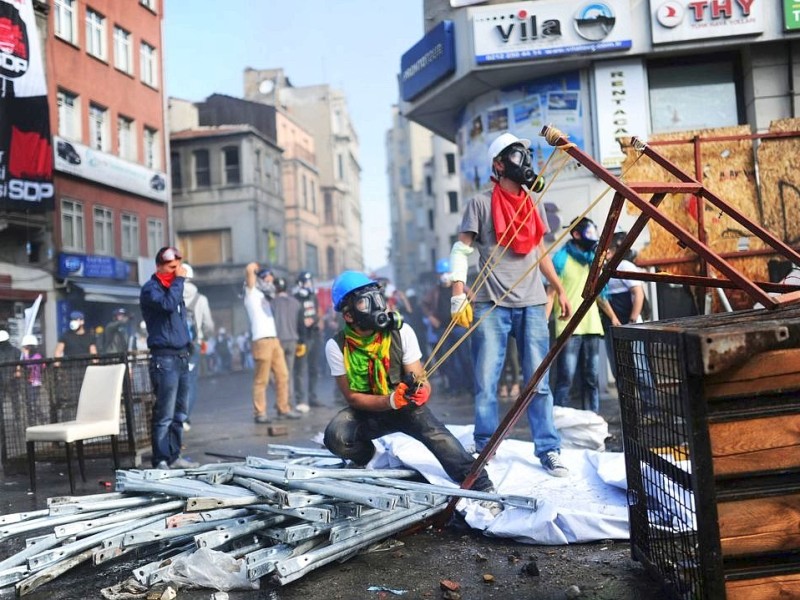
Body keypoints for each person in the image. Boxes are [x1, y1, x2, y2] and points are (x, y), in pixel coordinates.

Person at [450, 131, 572, 477]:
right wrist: (458, 293)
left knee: (539, 381)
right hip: (491, 303)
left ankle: (549, 449)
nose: (525, 163)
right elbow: (462, 250)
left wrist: (559, 288)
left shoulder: (532, 204)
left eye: (526, 155)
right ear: (498, 164)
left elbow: (539, 251)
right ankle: (485, 444)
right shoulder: (479, 203)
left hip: (532, 302)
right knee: (487, 380)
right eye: (517, 156)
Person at [323, 271, 499, 505]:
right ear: (348, 315)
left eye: (378, 298)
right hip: (368, 409)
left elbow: (417, 375)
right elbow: (352, 397)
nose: (378, 306)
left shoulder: (401, 331)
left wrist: (422, 387)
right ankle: (366, 457)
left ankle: (479, 483)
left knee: (438, 436)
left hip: (405, 404)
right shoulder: (336, 346)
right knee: (336, 435)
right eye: (365, 302)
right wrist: (388, 401)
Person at [139, 246, 199, 470]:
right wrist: (179, 281)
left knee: (180, 412)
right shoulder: (151, 289)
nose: (177, 271)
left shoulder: (174, 288)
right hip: (164, 359)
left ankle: (174, 456)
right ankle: (161, 459)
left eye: (178, 267)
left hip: (181, 357)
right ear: (159, 267)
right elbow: (167, 304)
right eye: (172, 267)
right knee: (164, 413)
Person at [547, 217, 604, 414]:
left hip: (592, 325)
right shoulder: (560, 259)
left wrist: (613, 317)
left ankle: (592, 420)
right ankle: (558, 419)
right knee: (566, 377)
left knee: (592, 378)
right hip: (568, 327)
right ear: (576, 234)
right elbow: (550, 293)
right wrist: (545, 323)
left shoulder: (592, 260)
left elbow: (600, 295)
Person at [243, 263, 299, 423]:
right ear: (259, 278)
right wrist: (256, 267)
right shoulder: (251, 293)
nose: (270, 281)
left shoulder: (267, 295)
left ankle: (284, 408)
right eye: (267, 278)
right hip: (261, 340)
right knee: (262, 379)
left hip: (274, 339)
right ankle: (259, 413)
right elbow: (249, 271)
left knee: (283, 375)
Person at [421, 258, 473, 396]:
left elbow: (473, 298)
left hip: (459, 327)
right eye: (441, 273)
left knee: (465, 357)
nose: (444, 276)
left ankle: (470, 386)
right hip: (442, 329)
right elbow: (424, 304)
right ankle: (454, 387)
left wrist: (468, 317)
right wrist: (432, 318)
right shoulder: (435, 291)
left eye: (446, 272)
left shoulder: (459, 287)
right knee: (447, 359)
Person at [182, 263, 215, 431]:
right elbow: (208, 324)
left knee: (175, 380)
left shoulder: (172, 295)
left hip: (175, 345)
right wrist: (205, 337)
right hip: (193, 345)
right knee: (190, 381)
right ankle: (184, 418)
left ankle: (174, 414)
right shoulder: (201, 299)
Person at [272, 277, 306, 412]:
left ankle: (282, 401)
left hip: (278, 341)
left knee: (276, 375)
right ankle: (288, 401)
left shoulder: (272, 303)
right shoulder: (296, 303)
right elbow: (301, 324)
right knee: (289, 374)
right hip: (293, 341)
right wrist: (301, 341)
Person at [293, 271, 322, 409]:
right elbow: (293, 318)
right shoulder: (296, 299)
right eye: (307, 282)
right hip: (302, 338)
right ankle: (300, 400)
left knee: (314, 369)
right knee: (300, 370)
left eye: (311, 282)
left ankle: (313, 397)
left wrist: (313, 320)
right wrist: (302, 322)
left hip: (314, 336)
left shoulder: (313, 297)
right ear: (300, 284)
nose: (309, 285)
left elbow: (317, 314)